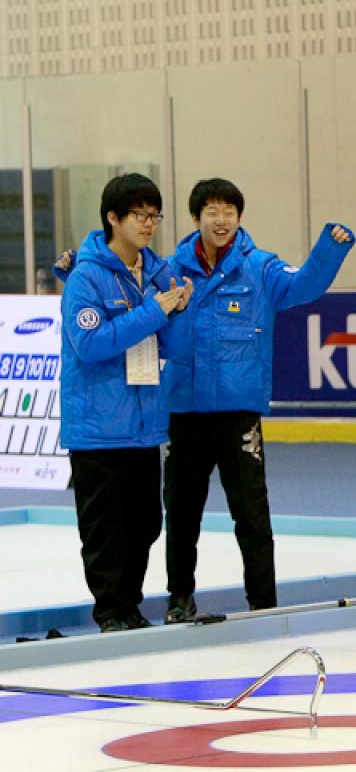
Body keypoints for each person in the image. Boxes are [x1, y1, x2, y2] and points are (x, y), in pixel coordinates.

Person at [161, 179, 355, 622]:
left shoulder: (262, 268)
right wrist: (74, 271)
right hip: (183, 411)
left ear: (240, 218)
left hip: (238, 412)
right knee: (182, 514)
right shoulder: (170, 269)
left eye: (229, 210)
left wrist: (330, 249)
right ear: (196, 219)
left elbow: (304, 286)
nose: (221, 219)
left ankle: (263, 603)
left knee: (252, 513)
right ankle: (179, 599)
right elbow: (131, 290)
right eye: (212, 210)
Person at [60, 173, 192, 632]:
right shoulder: (86, 278)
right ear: (112, 218)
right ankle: (111, 611)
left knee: (145, 525)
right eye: (140, 214)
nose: (149, 223)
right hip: (97, 427)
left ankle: (129, 606)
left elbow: (174, 349)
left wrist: (179, 311)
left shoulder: (158, 272)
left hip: (143, 423)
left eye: (155, 215)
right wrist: (156, 310)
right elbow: (91, 344)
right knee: (105, 530)